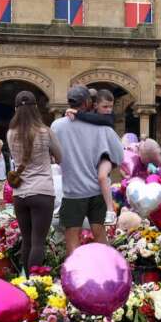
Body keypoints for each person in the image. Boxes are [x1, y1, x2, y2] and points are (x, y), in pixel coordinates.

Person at [51, 85, 123, 255]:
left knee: (72, 236)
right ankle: (108, 271)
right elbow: (119, 155)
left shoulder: (57, 126)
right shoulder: (102, 127)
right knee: (99, 234)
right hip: (97, 191)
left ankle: (74, 274)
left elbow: (53, 155)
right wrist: (106, 165)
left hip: (72, 191)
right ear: (88, 103)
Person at [7, 91, 63, 274]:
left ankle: (25, 282)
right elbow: (60, 157)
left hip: (20, 194)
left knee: (27, 240)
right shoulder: (45, 131)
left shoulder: (10, 134)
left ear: (15, 109)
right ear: (36, 108)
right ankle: (33, 282)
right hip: (42, 192)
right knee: (39, 242)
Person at [65, 89, 117, 225]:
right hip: (93, 156)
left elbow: (96, 119)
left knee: (102, 176)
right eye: (105, 106)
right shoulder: (88, 115)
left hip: (107, 155)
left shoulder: (108, 118)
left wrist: (77, 114)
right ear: (95, 105)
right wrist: (71, 113)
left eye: (111, 106)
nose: (108, 110)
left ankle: (110, 210)